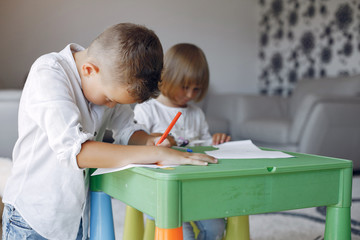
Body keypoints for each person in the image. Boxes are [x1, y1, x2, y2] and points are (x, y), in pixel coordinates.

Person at [1, 23, 217, 240]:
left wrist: (149, 141)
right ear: (89, 70)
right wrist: (156, 154)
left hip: (76, 216)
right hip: (33, 219)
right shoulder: (48, 73)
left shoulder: (110, 79)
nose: (111, 106)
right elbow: (76, 151)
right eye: (109, 99)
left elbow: (127, 128)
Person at [134, 43, 230, 240]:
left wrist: (214, 141)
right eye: (185, 87)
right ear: (166, 78)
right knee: (182, 234)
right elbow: (135, 146)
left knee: (217, 227)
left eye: (196, 89)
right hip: (160, 193)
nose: (189, 95)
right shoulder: (147, 109)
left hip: (196, 189)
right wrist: (154, 141)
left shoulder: (196, 113)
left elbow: (203, 145)